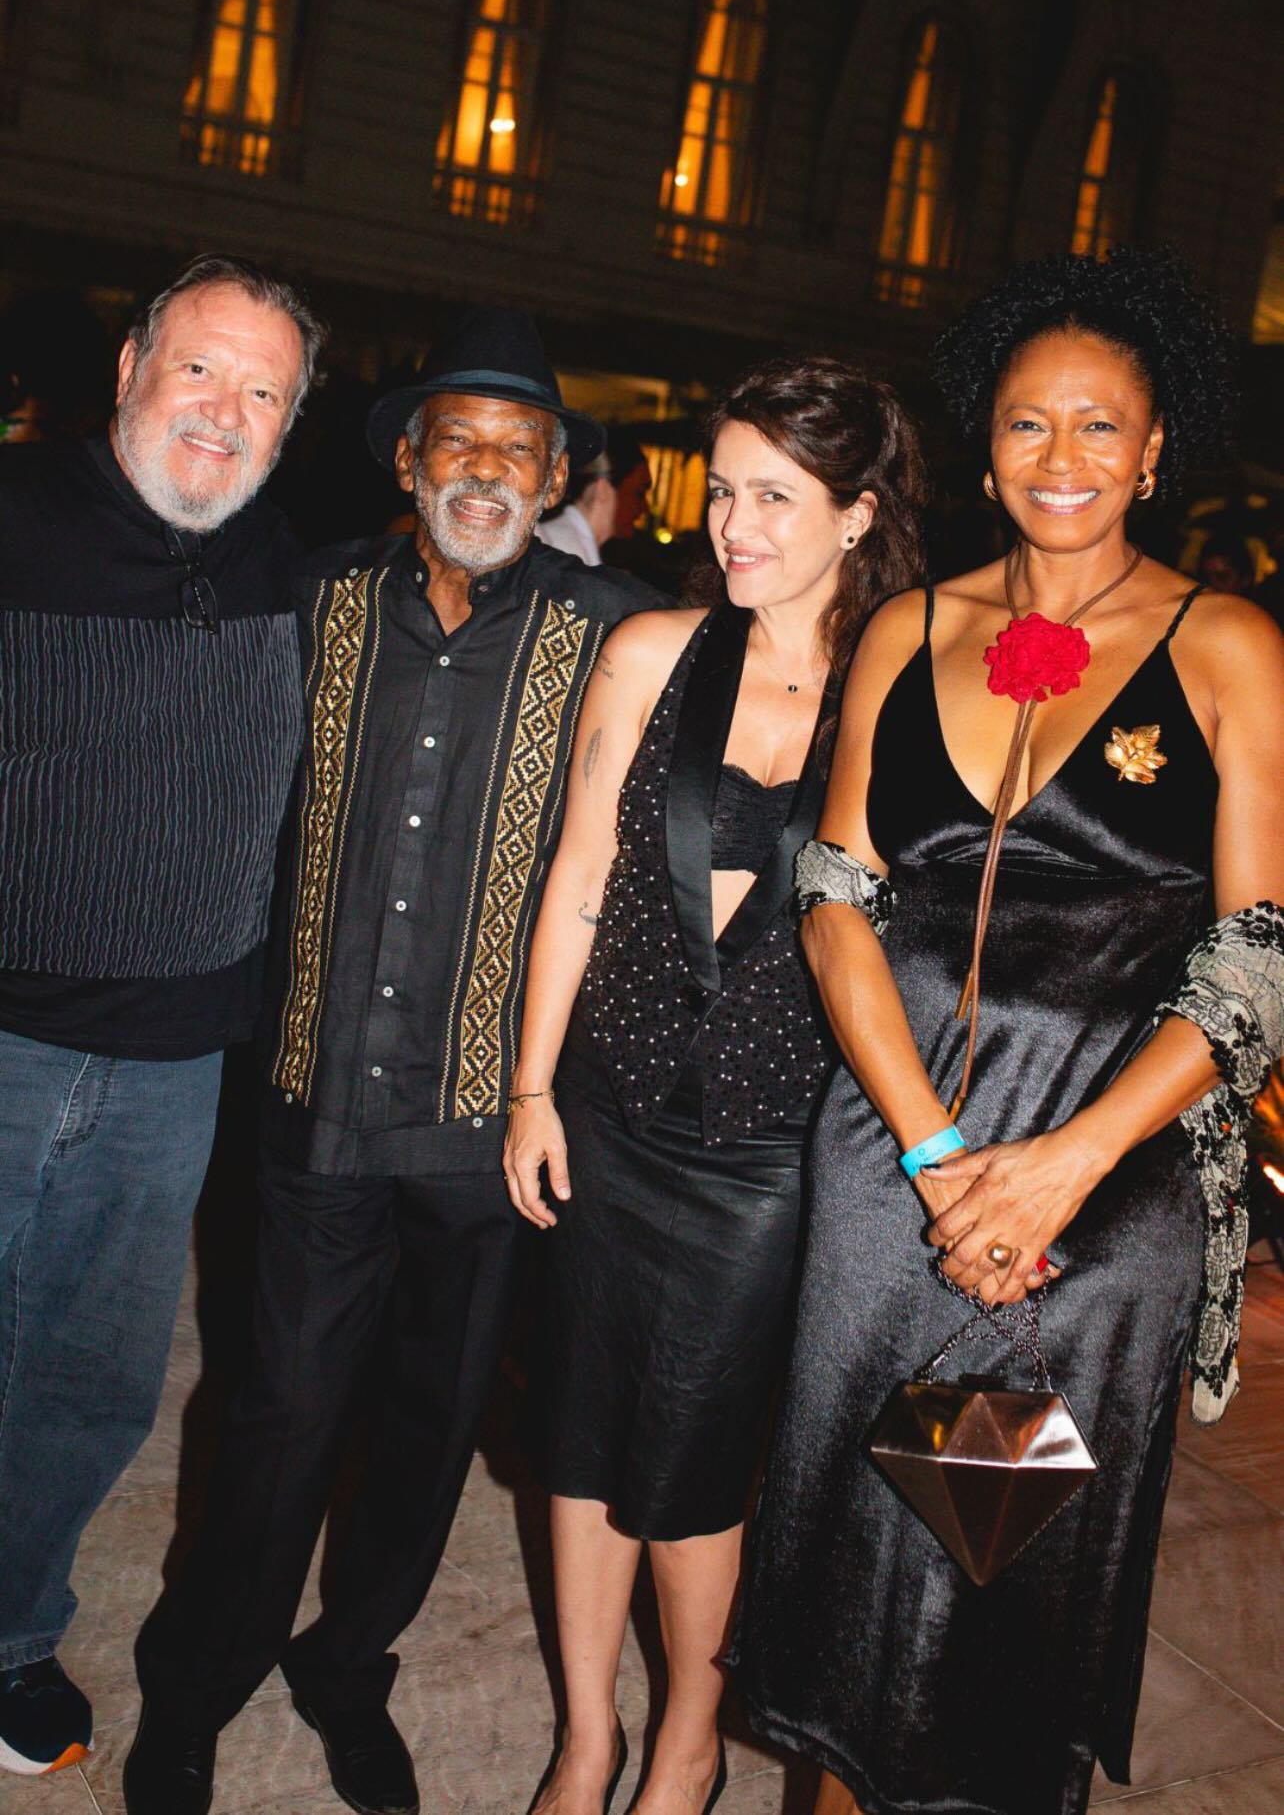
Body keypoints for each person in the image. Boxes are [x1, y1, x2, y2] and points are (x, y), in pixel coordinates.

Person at [729, 249, 1284, 1815]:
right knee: (855, 1538)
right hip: (897, 1149)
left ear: (1157, 446)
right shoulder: (906, 626)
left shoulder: (1229, 642)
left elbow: (1260, 955)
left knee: (985, 1561)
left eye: (1100, 428)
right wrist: (931, 1150)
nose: (1062, 458)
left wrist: (1060, 1171)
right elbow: (838, 894)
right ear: (984, 446)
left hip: (1100, 1184)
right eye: (1030, 425)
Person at [126, 308, 659, 1815]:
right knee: (279, 1414)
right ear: (410, 458)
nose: (486, 468)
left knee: (427, 1435)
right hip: (314, 1108)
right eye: (460, 439)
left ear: (556, 471)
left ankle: (347, 1666)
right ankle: (198, 1682)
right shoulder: (314, 597)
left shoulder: (616, 631)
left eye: (520, 447)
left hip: (495, 1133)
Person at [505, 358, 927, 1815]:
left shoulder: (904, 693)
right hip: (608, 1115)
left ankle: (689, 1728)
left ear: (858, 513)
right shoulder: (650, 651)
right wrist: (529, 1089)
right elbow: (573, 882)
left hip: (763, 1157)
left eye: (773, 497)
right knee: (572, 1437)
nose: (732, 524)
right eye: (723, 486)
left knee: (690, 1462)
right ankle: (584, 1734)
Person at [0, 255, 322, 1779]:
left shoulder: (291, 569)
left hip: (171, 1071)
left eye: (264, 392)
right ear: (131, 360)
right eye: (201, 369)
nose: (223, 413)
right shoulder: (10, 510)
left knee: (87, 1383)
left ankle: (7, 1632)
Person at [538, 450, 618, 564]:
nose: (643, 506)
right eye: (638, 493)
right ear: (603, 490)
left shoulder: (572, 544)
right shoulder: (566, 550)